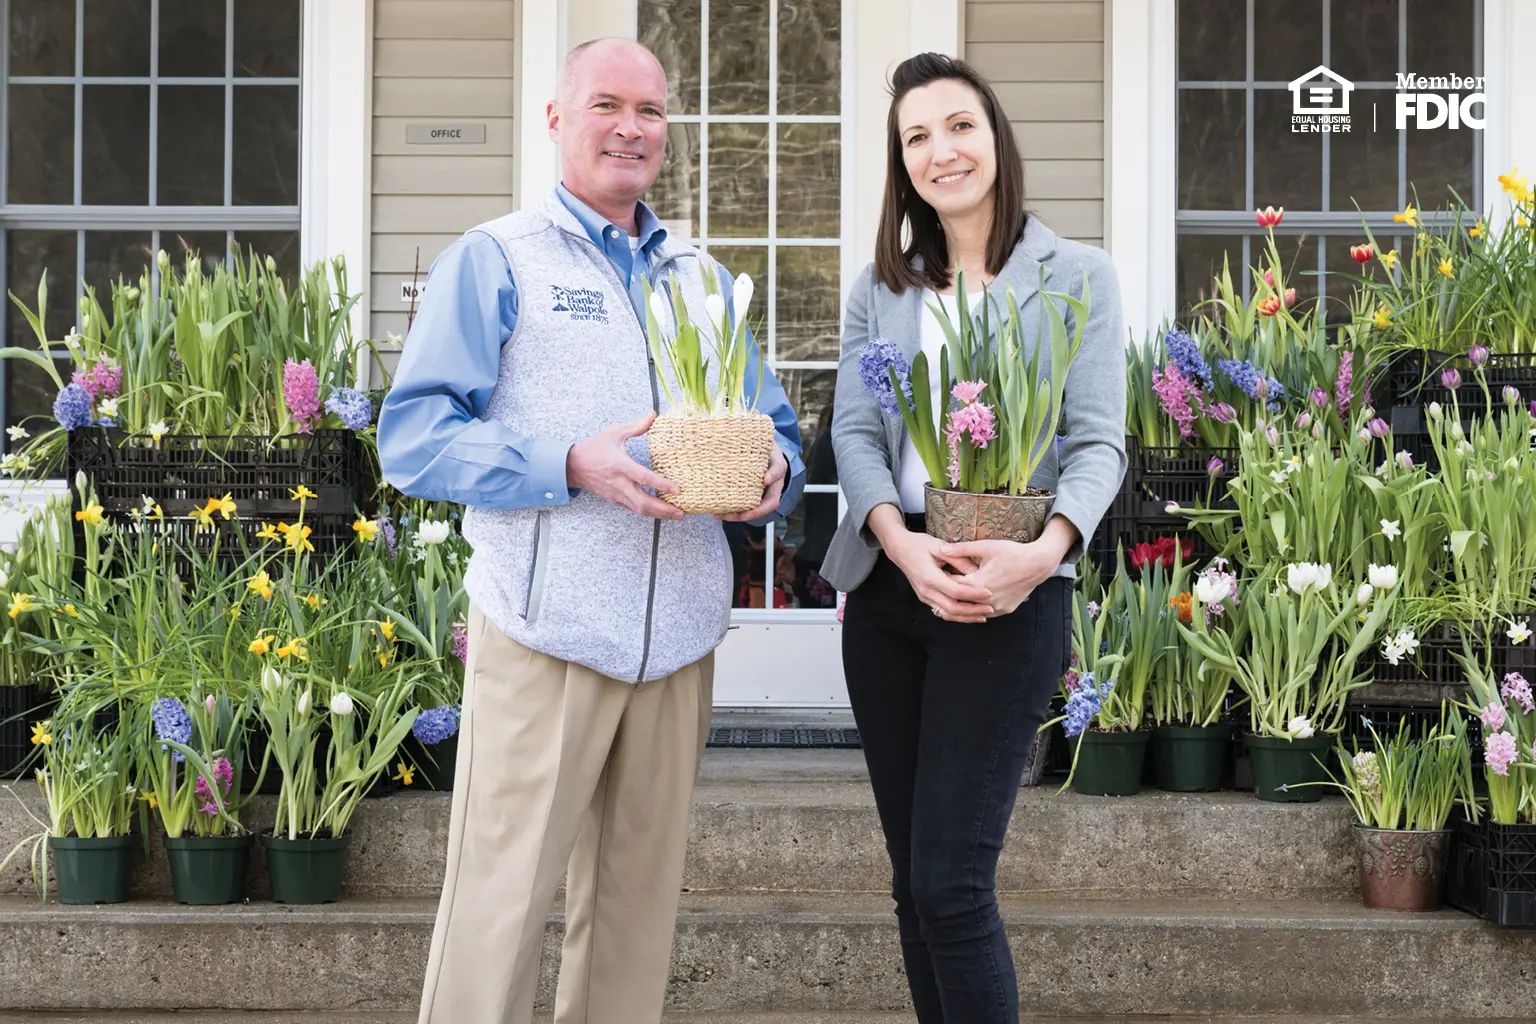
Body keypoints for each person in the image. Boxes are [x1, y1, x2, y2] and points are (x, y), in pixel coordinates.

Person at [376, 38, 805, 1024]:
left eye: (650, 111)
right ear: (558, 119)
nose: (631, 127)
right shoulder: (497, 259)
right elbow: (414, 438)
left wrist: (772, 474)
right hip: (546, 634)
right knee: (500, 901)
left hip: (679, 643)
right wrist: (569, 461)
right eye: (607, 104)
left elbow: (775, 432)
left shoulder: (702, 277)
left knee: (635, 914)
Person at [818, 52, 1127, 1023]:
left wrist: (1042, 555)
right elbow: (856, 431)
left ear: (995, 136)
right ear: (900, 161)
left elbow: (1098, 442)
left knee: (953, 881)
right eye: (917, 136)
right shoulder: (883, 289)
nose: (941, 151)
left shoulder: (1076, 276)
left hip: (1012, 585)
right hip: (888, 591)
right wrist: (903, 549)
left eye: (958, 126)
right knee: (915, 883)